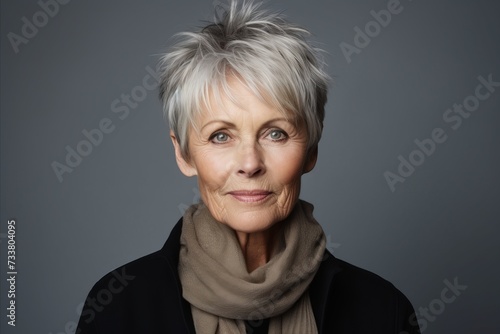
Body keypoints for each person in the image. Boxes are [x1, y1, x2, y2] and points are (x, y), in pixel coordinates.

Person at [76, 1, 420, 333]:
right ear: (183, 154)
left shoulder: (382, 311)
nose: (250, 164)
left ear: (311, 150)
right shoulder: (117, 307)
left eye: (275, 133)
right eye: (221, 136)